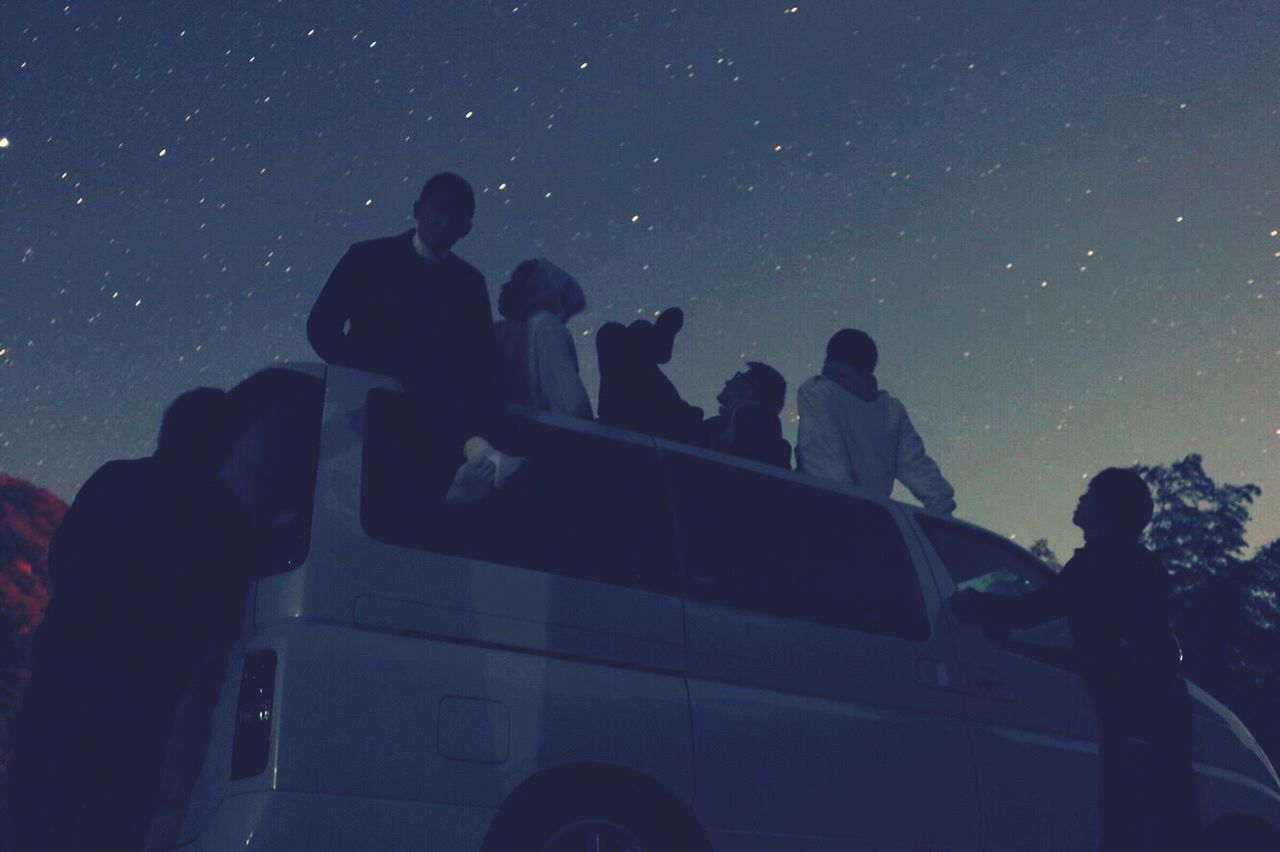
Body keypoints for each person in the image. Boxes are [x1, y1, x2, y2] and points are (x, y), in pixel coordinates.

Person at [8, 388, 261, 852]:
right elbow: (225, 614)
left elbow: (64, 559)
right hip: (147, 695)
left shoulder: (114, 481)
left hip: (67, 672)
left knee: (39, 803)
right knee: (115, 814)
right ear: (222, 443)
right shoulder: (225, 517)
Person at [952, 468, 1198, 852]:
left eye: (1090, 494)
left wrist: (974, 604)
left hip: (1137, 717)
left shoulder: (1102, 561)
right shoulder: (1135, 562)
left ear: (1109, 509)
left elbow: (1034, 611)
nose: (1081, 499)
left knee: (1127, 826)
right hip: (1157, 714)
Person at [306, 171, 499, 429]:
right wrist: (361, 373)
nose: (445, 223)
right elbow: (321, 325)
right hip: (360, 408)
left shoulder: (471, 283)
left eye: (456, 217)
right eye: (439, 210)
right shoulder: (367, 257)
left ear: (466, 228)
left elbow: (481, 358)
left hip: (434, 423)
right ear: (418, 210)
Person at [795, 328, 955, 513]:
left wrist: (839, 512)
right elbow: (916, 467)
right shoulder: (891, 409)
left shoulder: (818, 393)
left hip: (829, 515)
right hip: (872, 519)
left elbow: (823, 461)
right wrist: (942, 507)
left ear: (829, 359)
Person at [493, 258, 593, 419]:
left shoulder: (544, 324)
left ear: (531, 289)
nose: (504, 286)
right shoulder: (504, 330)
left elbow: (571, 403)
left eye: (514, 281)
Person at [596, 307, 703, 443]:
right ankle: (647, 336)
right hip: (634, 417)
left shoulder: (653, 380)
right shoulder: (651, 378)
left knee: (616, 332)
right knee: (614, 331)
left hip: (638, 418)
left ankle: (646, 335)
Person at [703, 361, 792, 468]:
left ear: (753, 390)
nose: (728, 382)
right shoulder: (717, 425)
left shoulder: (759, 430)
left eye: (738, 377)